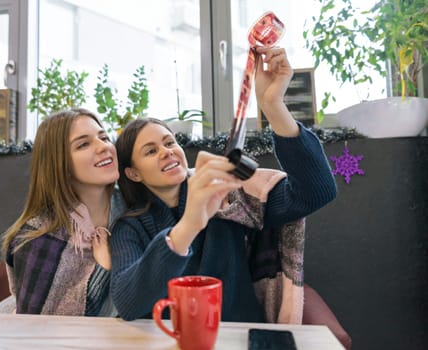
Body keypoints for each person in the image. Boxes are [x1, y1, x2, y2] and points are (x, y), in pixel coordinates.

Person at [110, 46, 337, 324]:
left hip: (238, 337)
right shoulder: (130, 228)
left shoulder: (229, 198)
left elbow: (317, 191)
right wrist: (190, 224)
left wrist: (273, 106)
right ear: (133, 174)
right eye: (150, 151)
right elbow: (128, 302)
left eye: (170, 142)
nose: (167, 151)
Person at [0, 108, 125, 316]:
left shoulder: (134, 208)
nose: (103, 146)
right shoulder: (38, 237)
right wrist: (103, 268)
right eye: (84, 144)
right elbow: (44, 327)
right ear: (59, 163)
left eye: (103, 137)